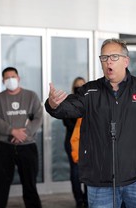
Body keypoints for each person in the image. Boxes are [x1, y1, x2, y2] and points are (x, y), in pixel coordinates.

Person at [45, 38, 136, 207]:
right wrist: (53, 104)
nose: (108, 62)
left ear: (126, 61)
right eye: (104, 58)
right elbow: (68, 108)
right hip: (99, 181)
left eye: (114, 57)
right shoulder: (89, 91)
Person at [0, 67, 43, 208]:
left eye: (13, 76)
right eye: (7, 77)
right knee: (0, 186)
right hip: (4, 147)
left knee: (30, 185)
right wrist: (12, 131)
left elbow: (38, 118)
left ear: (18, 78)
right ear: (3, 81)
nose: (10, 79)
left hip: (27, 147)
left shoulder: (31, 96)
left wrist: (24, 134)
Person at [62, 77, 87, 208]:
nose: (79, 87)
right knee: (75, 172)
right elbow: (66, 120)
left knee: (89, 171)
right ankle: (79, 200)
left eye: (82, 85)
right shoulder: (69, 101)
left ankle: (88, 199)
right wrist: (80, 124)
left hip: (88, 142)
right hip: (72, 142)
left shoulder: (90, 100)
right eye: (77, 85)